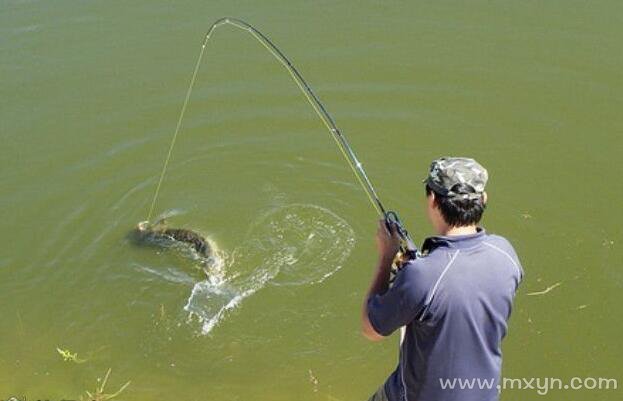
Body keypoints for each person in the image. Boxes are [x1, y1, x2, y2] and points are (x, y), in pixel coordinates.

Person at [361, 157, 523, 401]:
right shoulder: (506, 253)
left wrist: (386, 257)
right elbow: (460, 293)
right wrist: (418, 271)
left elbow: (371, 330)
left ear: (433, 199)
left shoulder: (422, 275)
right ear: (483, 200)